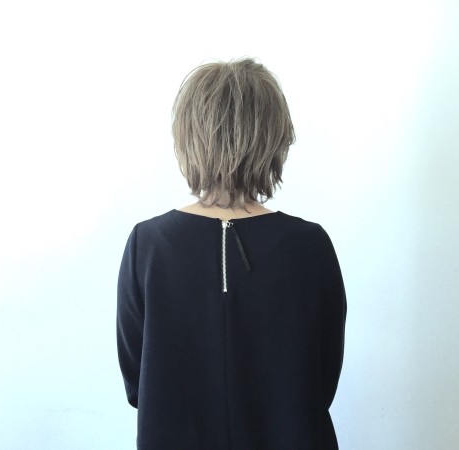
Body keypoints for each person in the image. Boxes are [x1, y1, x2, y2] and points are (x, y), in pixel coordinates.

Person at [117, 57, 347, 449]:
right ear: (274, 138)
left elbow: (139, 384)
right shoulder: (311, 246)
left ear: (188, 137)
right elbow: (322, 381)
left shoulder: (149, 246)